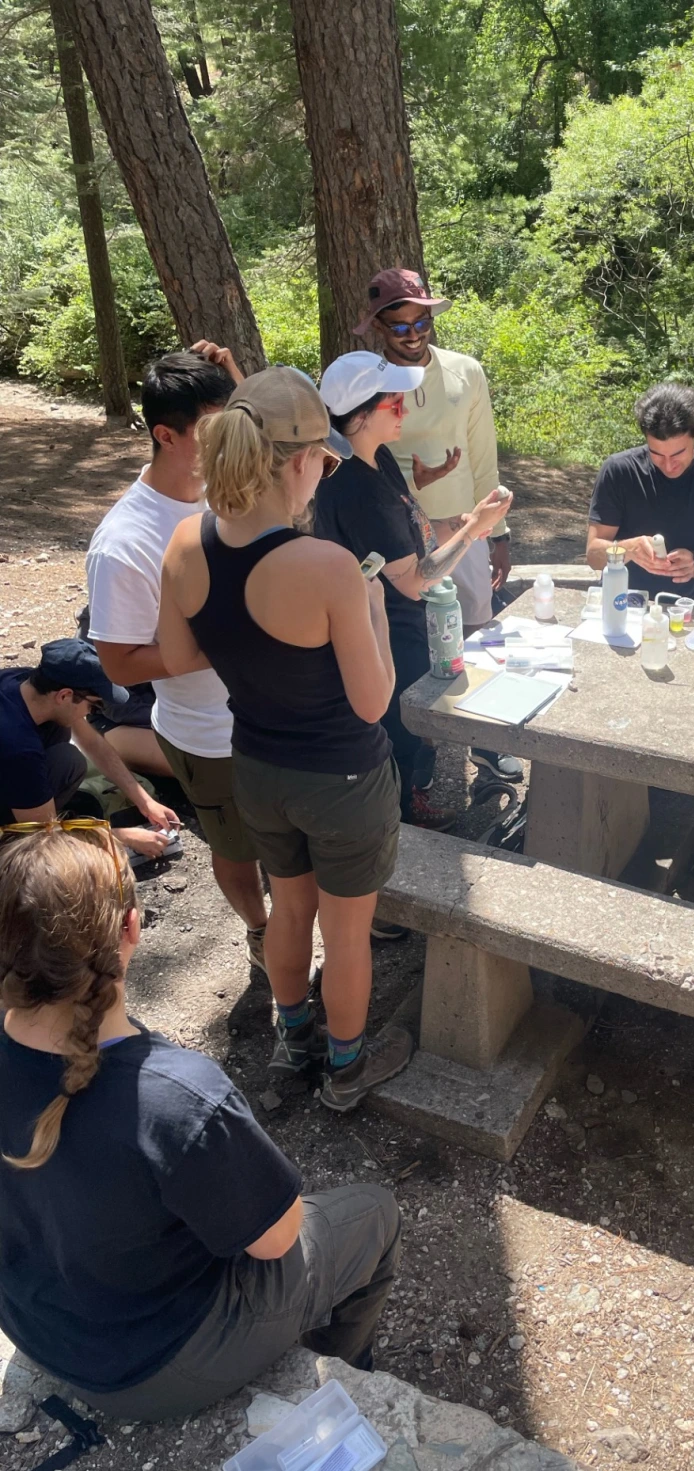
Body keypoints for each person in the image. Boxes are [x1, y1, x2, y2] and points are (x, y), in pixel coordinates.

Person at [0, 825, 401, 1421]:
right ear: (131, 929)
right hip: (154, 1366)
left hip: (39, 1323)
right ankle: (343, 1375)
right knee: (375, 1214)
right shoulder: (178, 1095)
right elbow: (277, 1239)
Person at [159, 365, 412, 1110]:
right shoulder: (327, 566)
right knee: (348, 931)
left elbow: (177, 655)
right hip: (342, 778)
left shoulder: (185, 540)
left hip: (257, 768)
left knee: (290, 909)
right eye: (324, 463)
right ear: (301, 461)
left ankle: (292, 1040)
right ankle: (347, 1069)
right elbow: (373, 703)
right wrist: (370, 610)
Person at [85, 345, 270, 971]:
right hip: (209, 735)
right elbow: (119, 665)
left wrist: (239, 379)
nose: (233, 443)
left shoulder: (232, 487)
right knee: (236, 847)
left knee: (297, 838)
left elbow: (301, 448)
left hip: (280, 712)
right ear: (166, 436)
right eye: (216, 430)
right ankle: (260, 931)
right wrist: (225, 641)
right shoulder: (125, 542)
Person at [314, 350, 513, 838]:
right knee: (396, 733)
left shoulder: (375, 457)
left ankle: (406, 803)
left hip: (397, 622)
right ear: (361, 415)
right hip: (379, 627)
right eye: (393, 403)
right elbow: (414, 578)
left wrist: (463, 520)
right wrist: (473, 531)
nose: (404, 409)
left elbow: (413, 529)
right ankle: (399, 826)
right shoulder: (355, 487)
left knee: (408, 730)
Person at [356, 267, 521, 785]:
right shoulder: (370, 383)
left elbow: (482, 455)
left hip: (464, 527)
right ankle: (417, 750)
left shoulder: (466, 371)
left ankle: (483, 742)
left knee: (473, 633)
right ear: (379, 327)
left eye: (421, 322)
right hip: (399, 537)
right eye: (399, 326)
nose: (412, 335)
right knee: (409, 644)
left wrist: (497, 534)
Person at [0, 639, 176, 862]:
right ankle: (10, 846)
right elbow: (45, 835)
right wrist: (119, 837)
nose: (92, 712)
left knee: (67, 757)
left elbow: (93, 744)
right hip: (16, 771)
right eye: (94, 705)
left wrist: (145, 801)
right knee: (48, 853)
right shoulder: (19, 749)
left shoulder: (24, 682)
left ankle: (33, 803)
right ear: (65, 696)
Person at [587, 383, 694, 602]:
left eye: (677, 454)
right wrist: (629, 549)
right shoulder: (618, 470)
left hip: (681, 607)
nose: (668, 465)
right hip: (619, 601)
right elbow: (593, 556)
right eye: (656, 454)